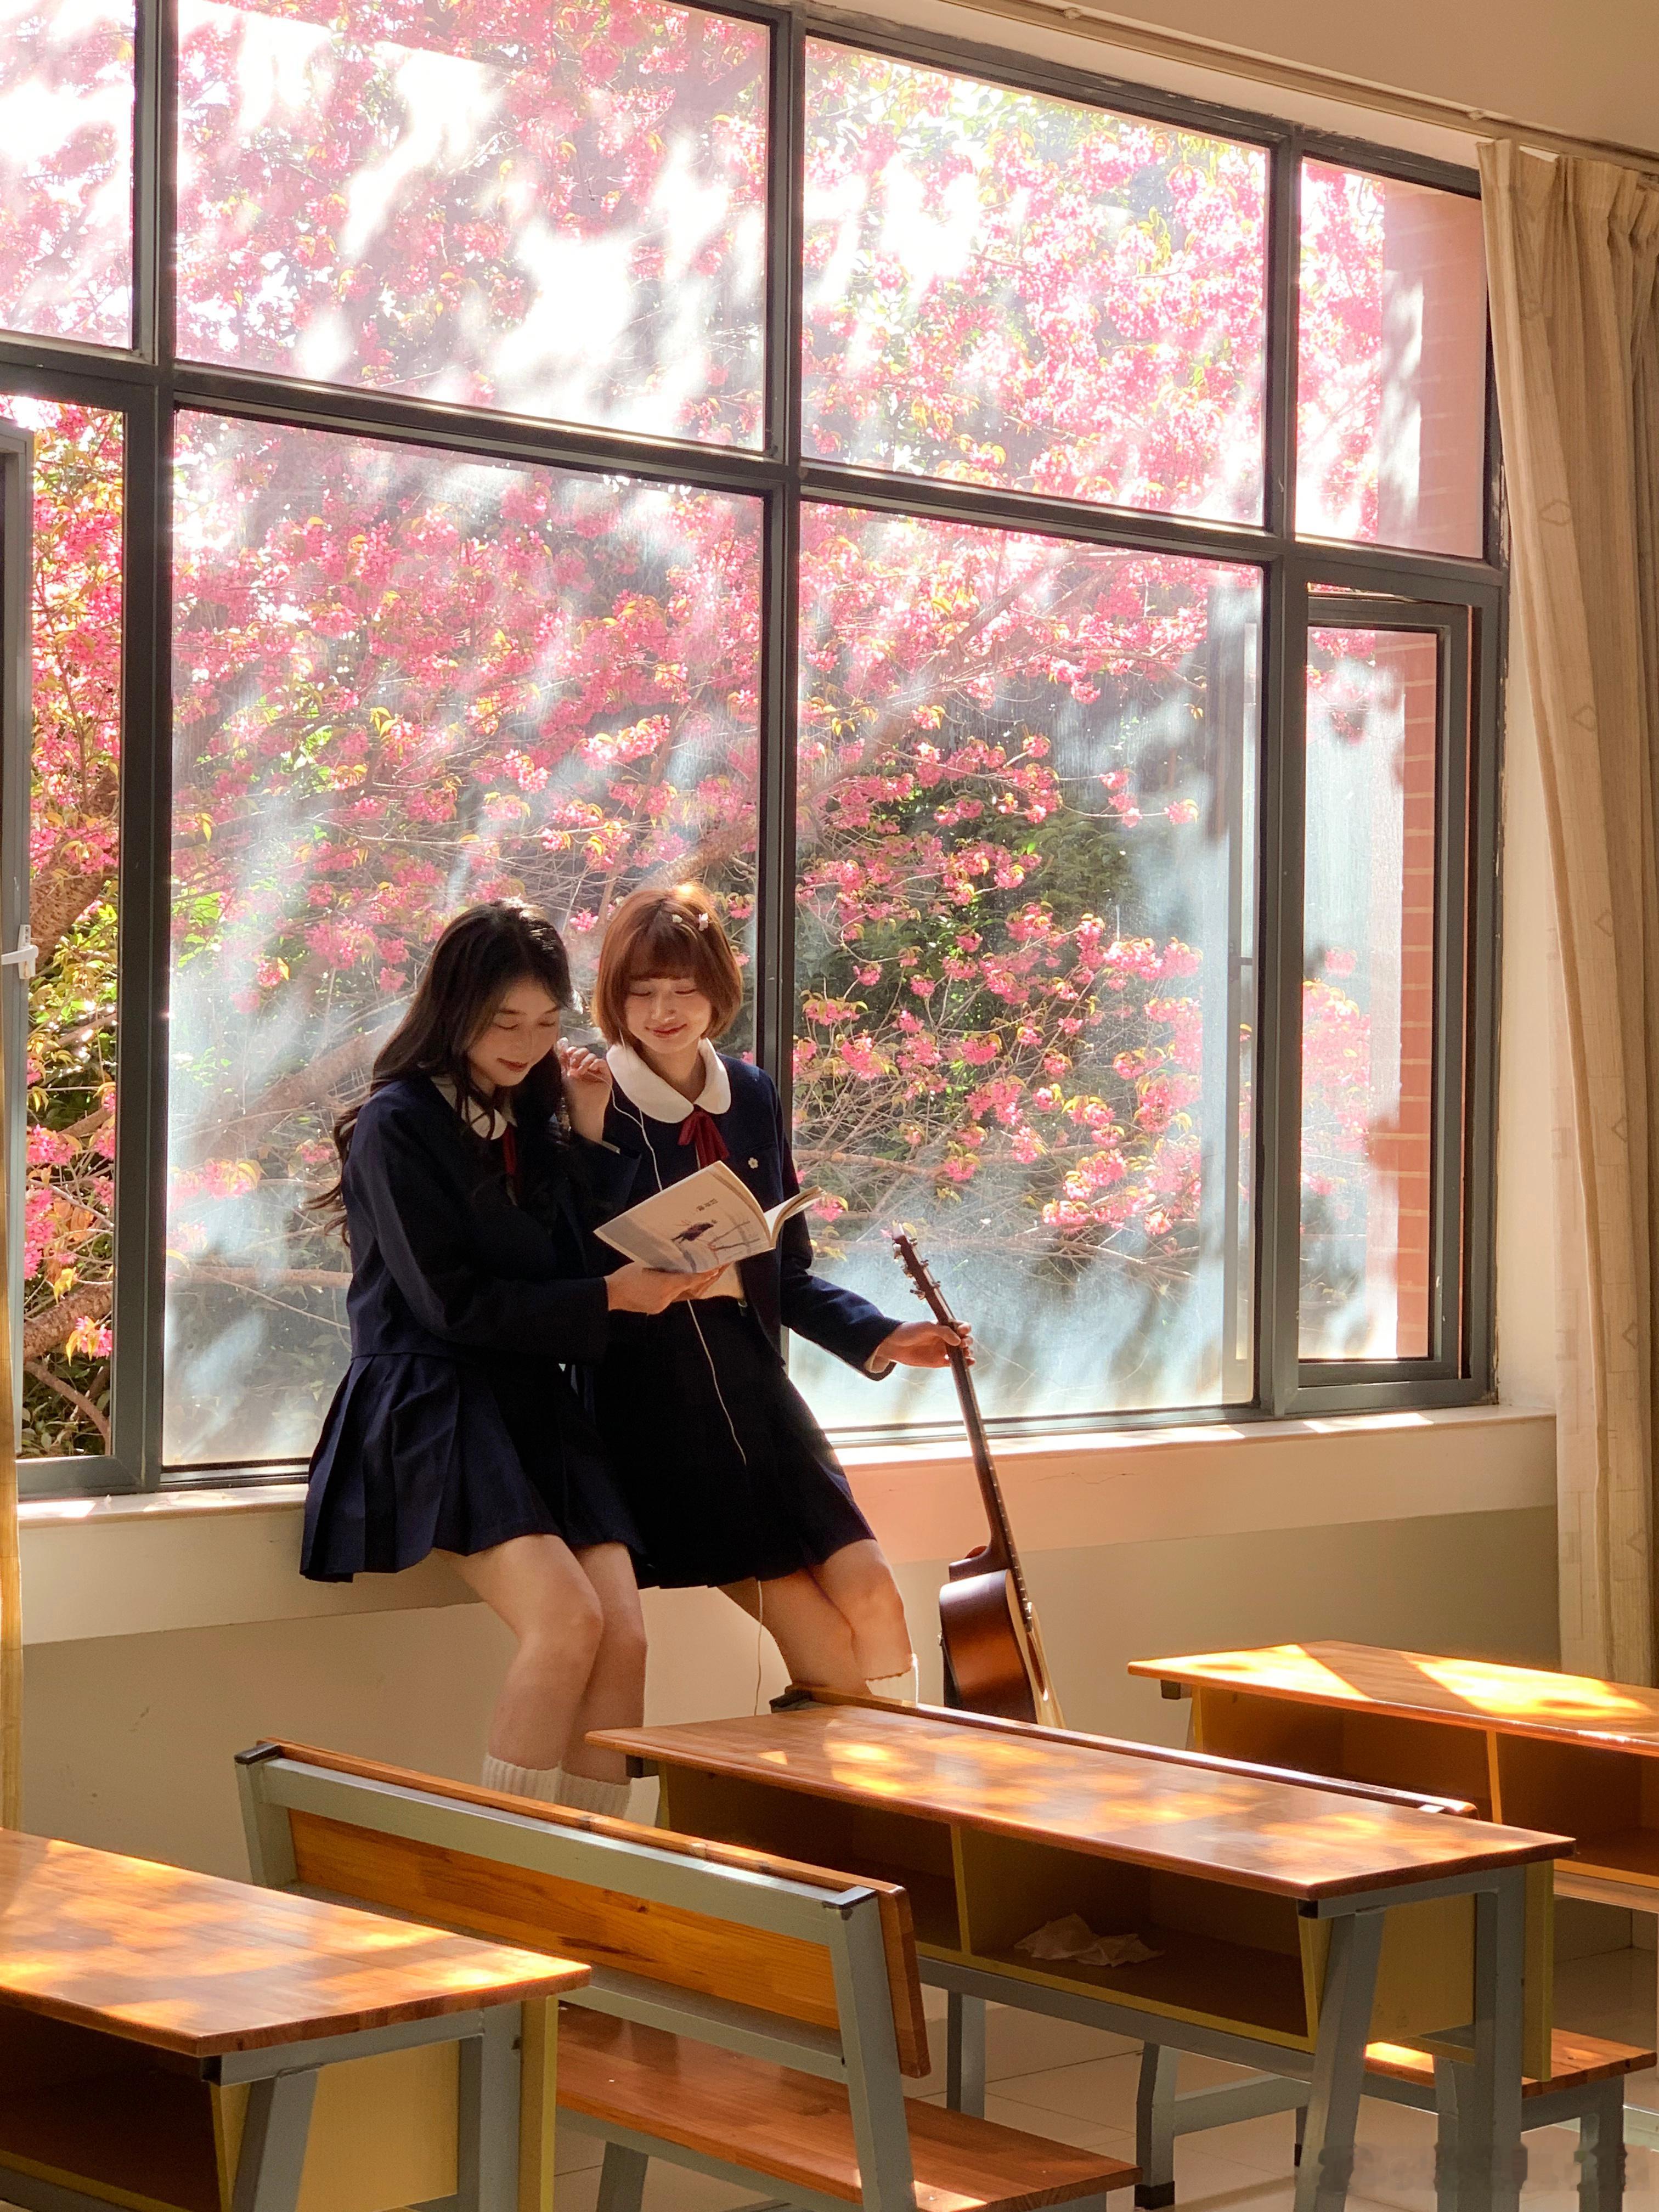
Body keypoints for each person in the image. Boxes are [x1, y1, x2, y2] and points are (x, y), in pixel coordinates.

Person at [302, 900, 714, 1813]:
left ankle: (594, 1874)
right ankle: (505, 1878)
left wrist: (590, 1134)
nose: (528, 1045)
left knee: (625, 1637)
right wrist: (611, 1298)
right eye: (505, 1023)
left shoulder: (530, 1114)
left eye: (544, 1023)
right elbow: (448, 1304)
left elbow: (571, 1261)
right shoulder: (398, 1122)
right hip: (432, 1396)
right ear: (453, 1012)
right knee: (567, 1623)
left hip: (529, 1400)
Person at [590, 881, 967, 1699]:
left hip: (753, 1379)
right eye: (642, 992)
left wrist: (881, 1334)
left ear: (717, 991)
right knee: (820, 1638)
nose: (663, 1010)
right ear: (614, 996)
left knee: (874, 1593)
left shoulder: (752, 1094)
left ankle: (889, 1766)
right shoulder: (585, 1098)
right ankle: (875, 1774)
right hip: (650, 1398)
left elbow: (782, 1268)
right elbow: (558, 1264)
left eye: (684, 989)